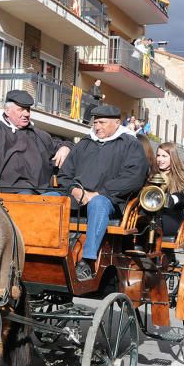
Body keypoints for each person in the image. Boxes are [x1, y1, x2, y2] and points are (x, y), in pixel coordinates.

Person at [56, 103, 149, 281]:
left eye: (102, 122)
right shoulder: (84, 143)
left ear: (116, 123)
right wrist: (75, 191)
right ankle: (39, 252)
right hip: (75, 197)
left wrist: (99, 194)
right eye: (95, 122)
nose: (97, 126)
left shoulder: (130, 144)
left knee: (98, 204)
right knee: (46, 199)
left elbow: (134, 178)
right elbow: (64, 175)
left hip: (110, 201)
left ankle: (87, 261)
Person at [0, 89, 71, 195]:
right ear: (7, 111)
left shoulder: (39, 135)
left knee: (53, 197)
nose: (26, 114)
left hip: (27, 191)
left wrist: (65, 147)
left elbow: (63, 145)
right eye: (21, 109)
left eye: (28, 110)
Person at [152, 142, 184, 238]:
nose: (160, 159)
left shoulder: (183, 176)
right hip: (151, 214)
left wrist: (176, 198)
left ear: (173, 157)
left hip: (171, 216)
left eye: (164, 156)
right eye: (158, 155)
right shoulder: (152, 172)